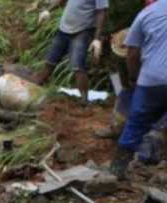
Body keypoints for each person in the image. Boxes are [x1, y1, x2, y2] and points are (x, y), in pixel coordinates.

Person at [111, 0, 167, 179]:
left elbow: (132, 53)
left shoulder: (146, 14)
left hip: (151, 78)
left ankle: (118, 169)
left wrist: (134, 77)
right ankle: (158, 134)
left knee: (136, 121)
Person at [35, 0, 108, 104]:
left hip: (82, 31)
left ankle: (84, 100)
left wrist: (96, 38)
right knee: (50, 61)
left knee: (78, 66)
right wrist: (48, 10)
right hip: (64, 29)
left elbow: (102, 12)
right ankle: (35, 89)